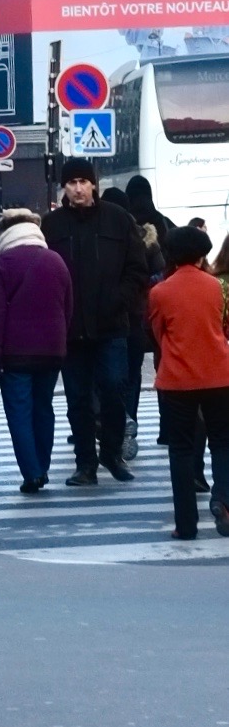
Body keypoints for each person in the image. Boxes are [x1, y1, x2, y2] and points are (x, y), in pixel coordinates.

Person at [41, 158, 144, 486]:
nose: (78, 188)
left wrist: (119, 299)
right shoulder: (52, 225)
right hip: (70, 328)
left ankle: (111, 452)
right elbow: (43, 273)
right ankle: (85, 462)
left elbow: (137, 269)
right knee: (77, 397)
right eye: (71, 183)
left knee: (114, 388)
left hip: (111, 324)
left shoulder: (118, 220)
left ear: (94, 184)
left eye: (84, 181)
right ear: (64, 187)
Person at [145, 225, 229, 539]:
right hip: (220, 376)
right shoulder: (217, 286)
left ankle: (186, 524)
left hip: (177, 380)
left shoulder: (160, 291)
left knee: (180, 450)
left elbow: (157, 333)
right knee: (223, 442)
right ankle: (224, 499)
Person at [0, 209, 73, 493]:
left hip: (15, 352)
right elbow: (68, 306)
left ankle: (32, 472)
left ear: (4, 233)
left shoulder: (2, 264)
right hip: (52, 349)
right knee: (43, 408)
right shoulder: (56, 260)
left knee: (19, 412)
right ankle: (43, 466)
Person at [119, 175, 173, 456]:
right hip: (160, 308)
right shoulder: (162, 223)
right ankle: (166, 427)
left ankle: (130, 418)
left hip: (131, 311)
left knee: (129, 371)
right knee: (164, 365)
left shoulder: (123, 225)